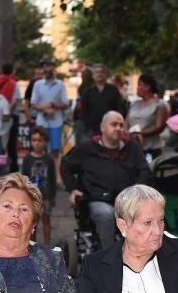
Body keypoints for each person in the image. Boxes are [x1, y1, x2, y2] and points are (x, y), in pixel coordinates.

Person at [61, 111, 152, 249]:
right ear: (103, 127)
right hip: (98, 199)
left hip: (127, 200)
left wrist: (138, 190)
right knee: (105, 214)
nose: (118, 128)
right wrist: (73, 189)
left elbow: (144, 171)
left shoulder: (131, 148)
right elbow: (66, 166)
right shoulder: (87, 148)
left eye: (121, 125)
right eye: (114, 124)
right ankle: (109, 256)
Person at [29, 58, 69, 177]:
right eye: (44, 66)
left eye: (49, 66)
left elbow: (65, 103)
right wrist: (45, 109)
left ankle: (56, 177)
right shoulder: (38, 84)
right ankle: (41, 175)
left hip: (56, 122)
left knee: (55, 151)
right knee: (39, 149)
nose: (46, 69)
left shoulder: (60, 84)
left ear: (53, 68)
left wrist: (53, 105)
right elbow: (33, 103)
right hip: (42, 122)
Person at [21, 126, 57, 243]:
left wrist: (53, 195)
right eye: (34, 140)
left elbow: (52, 177)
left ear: (45, 142)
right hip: (31, 197)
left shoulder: (49, 159)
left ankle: (47, 246)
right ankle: (33, 246)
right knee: (33, 224)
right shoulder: (27, 159)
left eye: (40, 140)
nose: (37, 143)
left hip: (45, 196)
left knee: (46, 221)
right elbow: (24, 178)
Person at [127, 73, 168, 161]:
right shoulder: (134, 104)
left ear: (147, 87)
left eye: (139, 85)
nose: (137, 88)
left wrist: (139, 135)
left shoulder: (159, 105)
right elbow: (126, 121)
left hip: (151, 148)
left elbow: (159, 127)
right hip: (132, 146)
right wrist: (126, 134)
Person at [79, 63, 126, 137]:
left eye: (102, 72)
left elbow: (119, 108)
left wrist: (116, 124)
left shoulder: (113, 90)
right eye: (96, 72)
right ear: (93, 76)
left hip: (111, 128)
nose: (99, 74)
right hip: (93, 130)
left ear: (106, 74)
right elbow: (83, 111)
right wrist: (88, 127)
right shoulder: (87, 91)